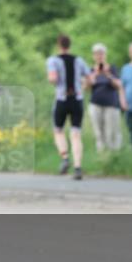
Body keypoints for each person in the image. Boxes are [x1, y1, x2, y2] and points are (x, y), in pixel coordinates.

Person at [46, 34, 90, 180]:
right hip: (77, 99)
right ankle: (77, 167)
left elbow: (53, 78)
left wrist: (55, 80)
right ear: (69, 45)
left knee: (58, 130)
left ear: (59, 45)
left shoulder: (53, 60)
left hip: (62, 98)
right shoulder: (79, 60)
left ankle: (65, 157)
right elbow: (90, 79)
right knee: (76, 133)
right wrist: (82, 86)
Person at [86, 43, 127, 153]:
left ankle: (114, 155)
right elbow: (86, 87)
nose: (99, 56)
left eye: (101, 53)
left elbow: (118, 85)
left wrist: (107, 74)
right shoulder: (91, 70)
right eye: (97, 54)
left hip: (111, 105)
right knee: (99, 133)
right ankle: (102, 156)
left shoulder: (112, 69)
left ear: (105, 55)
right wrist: (95, 74)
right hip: (95, 104)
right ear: (93, 56)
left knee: (112, 132)